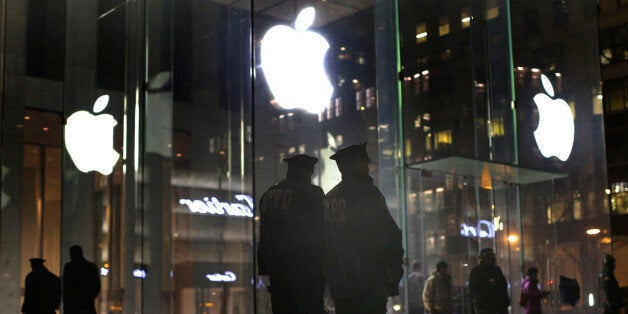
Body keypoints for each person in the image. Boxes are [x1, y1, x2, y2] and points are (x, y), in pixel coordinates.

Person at [324, 142, 404, 314]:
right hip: (368, 283)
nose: (368, 166)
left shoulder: (329, 198)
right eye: (365, 161)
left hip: (339, 285)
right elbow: (389, 234)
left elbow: (323, 243)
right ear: (357, 164)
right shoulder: (368, 193)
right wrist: (392, 273)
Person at [257, 154, 326, 314]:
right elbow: (322, 231)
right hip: (305, 268)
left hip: (276, 269)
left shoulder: (269, 194)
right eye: (311, 171)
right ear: (307, 171)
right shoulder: (311, 193)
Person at [468, 248, 510, 314]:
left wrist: (505, 302)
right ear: (482, 258)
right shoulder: (476, 271)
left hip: (499, 306)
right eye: (487, 257)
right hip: (484, 306)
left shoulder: (497, 270)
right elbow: (473, 287)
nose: (490, 260)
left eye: (491, 257)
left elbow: (503, 286)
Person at [62, 245, 101, 314]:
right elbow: (97, 286)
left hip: (71, 306)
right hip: (87, 305)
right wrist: (89, 298)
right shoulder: (91, 267)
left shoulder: (69, 267)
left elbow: (66, 286)